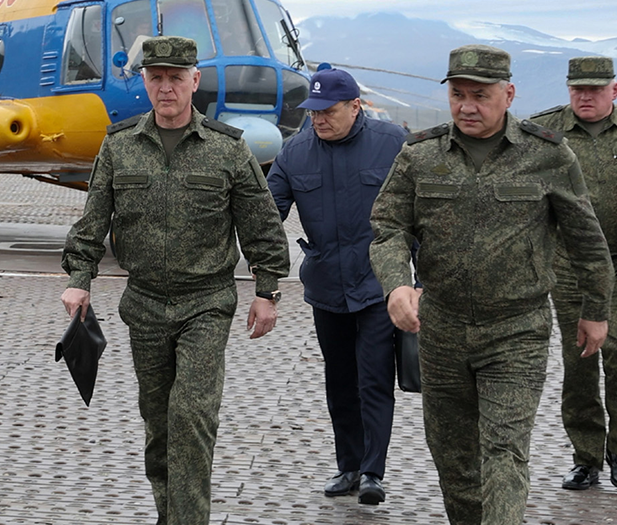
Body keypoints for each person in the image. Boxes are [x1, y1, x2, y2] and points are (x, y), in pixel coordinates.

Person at [368, 44, 614, 525]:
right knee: (454, 457)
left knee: (503, 450)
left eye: (480, 95)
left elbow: (587, 239)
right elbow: (388, 227)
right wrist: (397, 285)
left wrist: (596, 310)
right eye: (458, 94)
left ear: (509, 94)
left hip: (516, 329)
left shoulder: (546, 154)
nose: (466, 106)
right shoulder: (420, 155)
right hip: (441, 327)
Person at [60, 36, 290, 525]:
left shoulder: (227, 149)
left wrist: (266, 289)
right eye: (157, 78)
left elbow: (262, 225)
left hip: (205, 303)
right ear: (144, 81)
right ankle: (172, 513)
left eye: (176, 78)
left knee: (191, 417)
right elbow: (92, 221)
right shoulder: (120, 146)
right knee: (159, 422)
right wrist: (80, 278)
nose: (166, 88)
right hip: (143, 306)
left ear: (195, 82)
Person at [530, 56, 617, 490]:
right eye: (577, 89)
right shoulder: (543, 129)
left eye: (594, 89)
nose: (585, 97)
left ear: (615, 90)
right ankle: (586, 457)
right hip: (568, 268)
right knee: (580, 364)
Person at [266, 68, 407, 505]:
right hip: (327, 285)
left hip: (379, 283)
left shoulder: (392, 143)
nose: (319, 120)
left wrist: (415, 279)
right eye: (313, 112)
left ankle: (372, 473)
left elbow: (417, 209)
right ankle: (348, 466)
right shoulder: (295, 152)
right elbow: (267, 215)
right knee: (340, 379)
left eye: (328, 112)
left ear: (355, 107)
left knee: (374, 377)